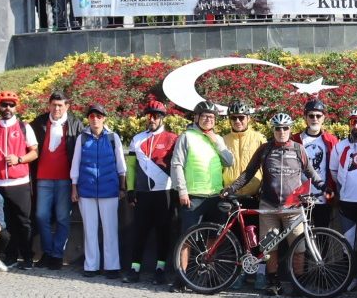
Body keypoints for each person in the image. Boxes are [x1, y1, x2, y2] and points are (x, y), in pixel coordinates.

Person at [227, 112, 324, 296]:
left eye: (285, 128)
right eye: (278, 128)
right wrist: (231, 188)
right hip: (268, 206)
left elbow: (311, 172)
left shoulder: (298, 149)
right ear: (273, 130)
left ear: (290, 129)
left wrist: (322, 185)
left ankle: (298, 284)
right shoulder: (265, 149)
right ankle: (273, 283)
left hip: (293, 208)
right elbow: (248, 173)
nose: (281, 131)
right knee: (269, 248)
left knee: (299, 248)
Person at [169, 102, 236, 281]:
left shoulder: (218, 139)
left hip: (215, 195)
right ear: (197, 117)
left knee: (213, 238)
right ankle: (181, 277)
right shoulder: (186, 136)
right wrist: (182, 191)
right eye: (205, 116)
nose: (208, 120)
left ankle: (208, 275)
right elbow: (176, 164)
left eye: (212, 117)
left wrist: (216, 142)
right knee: (187, 238)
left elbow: (229, 162)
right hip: (193, 195)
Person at [123, 101, 177, 283]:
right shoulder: (137, 139)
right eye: (149, 116)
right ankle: (134, 268)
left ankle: (160, 269)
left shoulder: (172, 138)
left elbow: (178, 167)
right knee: (140, 232)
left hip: (165, 192)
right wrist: (130, 189)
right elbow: (130, 167)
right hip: (143, 193)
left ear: (162, 118)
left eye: (156, 116)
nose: (152, 119)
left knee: (163, 232)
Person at [72, 104, 127, 278]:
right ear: (88, 119)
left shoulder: (113, 137)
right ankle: (91, 266)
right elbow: (75, 164)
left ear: (104, 118)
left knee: (110, 229)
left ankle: (112, 267)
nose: (95, 119)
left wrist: (122, 186)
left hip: (109, 189)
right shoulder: (82, 138)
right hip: (86, 189)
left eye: (98, 116)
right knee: (90, 229)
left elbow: (121, 165)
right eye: (92, 116)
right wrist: (74, 187)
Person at [0, 91, 39, 270]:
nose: (7, 108)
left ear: (16, 107)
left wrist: (19, 159)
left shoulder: (25, 127)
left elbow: (34, 152)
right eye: (4, 105)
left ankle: (27, 256)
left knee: (24, 222)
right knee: (4, 222)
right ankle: (9, 256)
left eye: (11, 105)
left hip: (19, 183)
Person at [32, 91, 82, 270]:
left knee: (62, 218)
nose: (57, 108)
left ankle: (57, 254)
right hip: (43, 178)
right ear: (49, 105)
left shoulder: (75, 124)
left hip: (65, 179)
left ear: (67, 106)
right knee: (41, 216)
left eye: (60, 105)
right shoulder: (39, 122)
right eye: (54, 104)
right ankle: (47, 251)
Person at [325, 109, 357, 247]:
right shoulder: (339, 147)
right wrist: (345, 186)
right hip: (347, 201)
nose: (356, 127)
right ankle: (349, 267)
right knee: (347, 240)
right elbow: (333, 171)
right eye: (353, 122)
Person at [294, 99, 338, 229]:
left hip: (322, 195)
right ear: (305, 117)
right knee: (301, 236)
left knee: (322, 234)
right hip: (301, 196)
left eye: (318, 116)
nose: (315, 119)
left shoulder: (331, 140)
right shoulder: (295, 139)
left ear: (323, 118)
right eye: (311, 116)